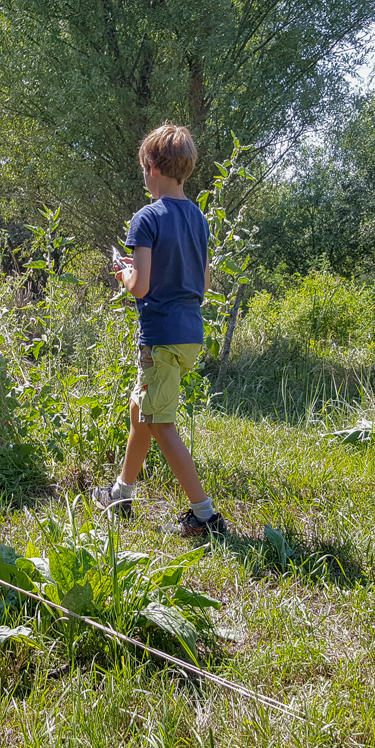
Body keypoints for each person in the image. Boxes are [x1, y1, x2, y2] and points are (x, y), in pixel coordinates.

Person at [93, 123, 229, 536]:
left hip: (160, 336)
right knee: (141, 412)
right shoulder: (199, 220)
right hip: (189, 333)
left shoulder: (146, 218)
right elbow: (203, 284)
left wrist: (123, 274)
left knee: (160, 424)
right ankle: (120, 493)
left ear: (152, 166)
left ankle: (204, 515)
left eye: (142, 168)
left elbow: (142, 286)